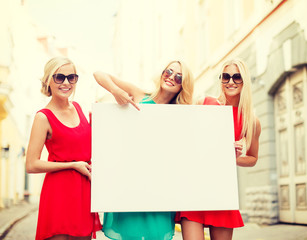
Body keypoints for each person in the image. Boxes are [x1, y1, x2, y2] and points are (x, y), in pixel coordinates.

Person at [93, 60, 194, 240]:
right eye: (168, 71)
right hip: (129, 184)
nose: (171, 77)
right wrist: (116, 92)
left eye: (178, 77)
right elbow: (99, 74)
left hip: (159, 188)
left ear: (183, 85)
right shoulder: (139, 94)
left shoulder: (181, 115)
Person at [175, 59, 261, 240]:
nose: (230, 81)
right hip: (194, 188)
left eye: (237, 77)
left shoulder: (251, 120)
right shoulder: (204, 103)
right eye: (226, 77)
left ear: (244, 80)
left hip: (222, 190)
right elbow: (183, 139)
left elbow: (253, 158)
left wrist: (233, 158)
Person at [26, 57, 101, 240]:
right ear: (48, 81)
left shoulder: (78, 108)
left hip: (83, 192)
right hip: (58, 193)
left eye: (71, 77)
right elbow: (31, 164)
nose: (66, 83)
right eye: (59, 77)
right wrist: (72, 165)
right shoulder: (43, 117)